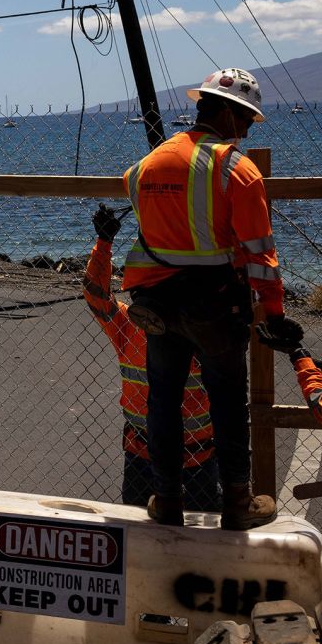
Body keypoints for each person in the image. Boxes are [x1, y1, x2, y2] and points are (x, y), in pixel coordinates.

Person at [120, 68, 301, 531]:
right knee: (226, 401)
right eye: (245, 119)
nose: (246, 130)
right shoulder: (236, 169)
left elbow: (156, 231)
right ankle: (238, 504)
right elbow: (261, 254)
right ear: (225, 111)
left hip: (158, 305)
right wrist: (274, 313)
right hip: (215, 305)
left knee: (163, 401)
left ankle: (167, 500)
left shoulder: (143, 168)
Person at [86, 204, 222, 511]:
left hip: (195, 458)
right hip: (145, 455)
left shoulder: (199, 326)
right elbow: (96, 295)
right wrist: (103, 244)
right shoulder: (130, 325)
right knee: (140, 537)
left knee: (200, 541)